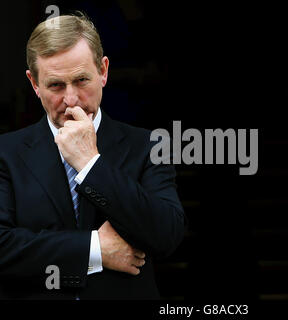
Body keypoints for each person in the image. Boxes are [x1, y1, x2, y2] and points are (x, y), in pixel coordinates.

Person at [0, 12, 185, 299]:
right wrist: (95, 249)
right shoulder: (5, 153)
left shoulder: (149, 145)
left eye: (82, 80)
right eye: (56, 85)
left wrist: (90, 164)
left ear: (103, 71)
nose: (71, 99)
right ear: (34, 84)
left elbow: (166, 236)